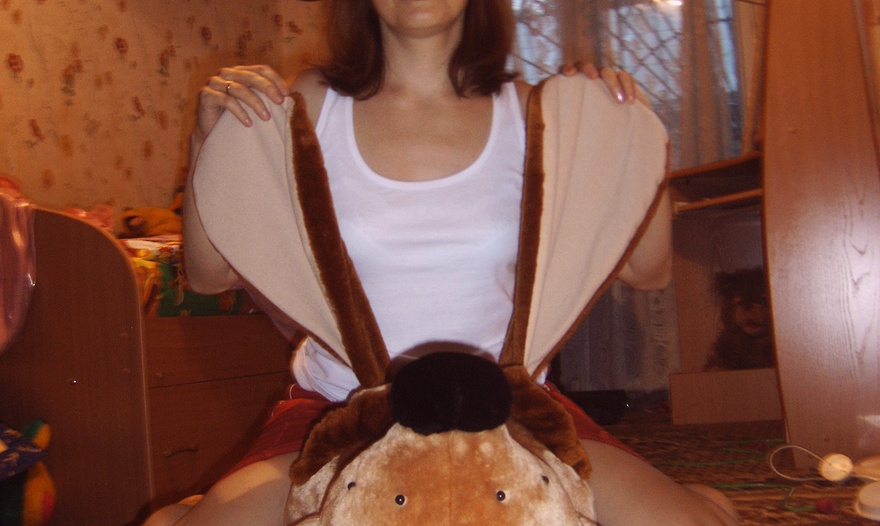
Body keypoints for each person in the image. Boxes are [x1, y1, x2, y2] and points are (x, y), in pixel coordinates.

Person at [146, 1, 738, 524]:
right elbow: (209, 275)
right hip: (338, 411)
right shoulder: (308, 105)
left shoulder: (534, 112)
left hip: (513, 405)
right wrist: (208, 142)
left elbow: (648, 270)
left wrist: (628, 137)